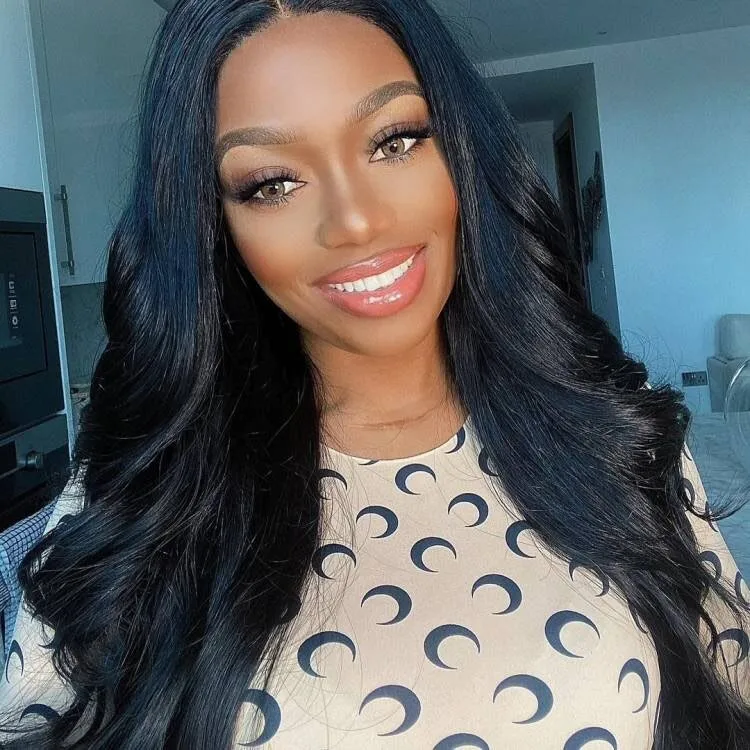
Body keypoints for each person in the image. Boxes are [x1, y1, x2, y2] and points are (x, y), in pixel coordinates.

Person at [1, 0, 748, 747]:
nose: (355, 220)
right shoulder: (141, 494)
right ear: (214, 226)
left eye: (395, 141)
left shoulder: (615, 430)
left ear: (460, 152)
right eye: (272, 184)